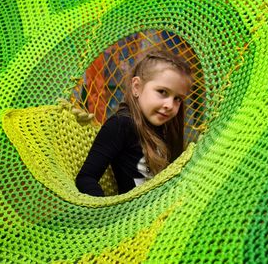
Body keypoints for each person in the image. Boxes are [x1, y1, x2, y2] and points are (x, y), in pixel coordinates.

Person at [76, 50, 193, 196]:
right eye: (162, 92)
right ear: (137, 87)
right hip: (133, 214)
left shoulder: (164, 128)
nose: (170, 105)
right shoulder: (120, 125)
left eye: (178, 99)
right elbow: (85, 178)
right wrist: (105, 212)